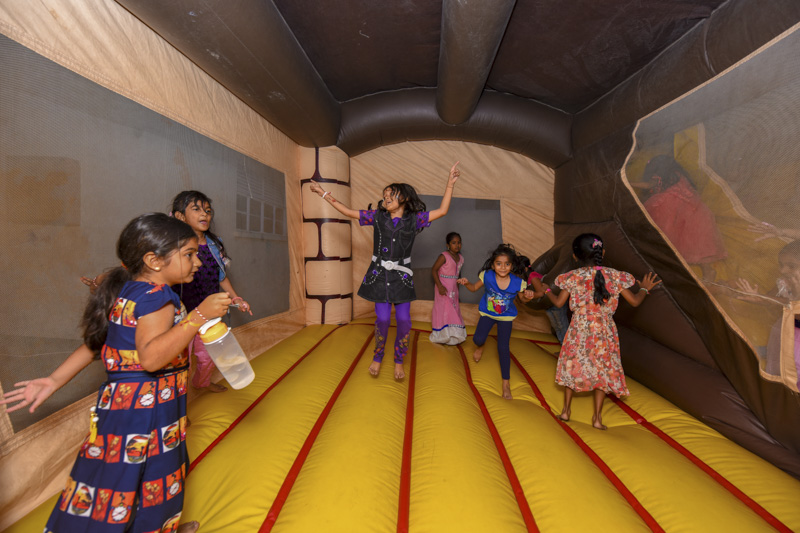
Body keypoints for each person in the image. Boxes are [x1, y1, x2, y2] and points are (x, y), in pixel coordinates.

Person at [1, 213, 232, 532]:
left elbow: (97, 345)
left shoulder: (129, 291)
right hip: (148, 411)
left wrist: (54, 380)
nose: (198, 262)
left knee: (117, 480)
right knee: (155, 477)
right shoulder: (158, 298)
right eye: (189, 254)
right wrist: (198, 317)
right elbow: (151, 358)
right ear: (154, 261)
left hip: (123, 409)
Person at [309, 162, 461, 380]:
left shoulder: (414, 220)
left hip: (402, 278)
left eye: (391, 194)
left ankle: (399, 359)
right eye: (385, 195)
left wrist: (450, 183)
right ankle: (378, 356)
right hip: (379, 277)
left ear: (404, 198)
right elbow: (347, 211)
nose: (386, 198)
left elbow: (443, 210)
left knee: (404, 320)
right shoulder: (376, 217)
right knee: (382, 319)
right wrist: (322, 193)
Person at [543, 233, 660, 429]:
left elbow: (558, 302)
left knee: (573, 365)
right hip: (604, 331)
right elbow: (634, 301)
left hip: (579, 329)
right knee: (602, 369)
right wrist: (644, 289)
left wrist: (547, 290)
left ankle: (565, 411)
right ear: (602, 252)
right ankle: (597, 418)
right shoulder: (615, 276)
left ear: (575, 256)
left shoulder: (573, 277)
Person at [171, 190, 252, 393]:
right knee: (182, 362)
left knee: (209, 357)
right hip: (183, 316)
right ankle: (178, 400)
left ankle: (202, 383)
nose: (204, 214)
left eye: (208, 210)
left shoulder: (215, 245)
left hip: (210, 314)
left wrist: (236, 298)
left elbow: (221, 276)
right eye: (196, 209)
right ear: (180, 216)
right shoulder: (173, 246)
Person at [457, 244, 536, 399]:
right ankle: (481, 346)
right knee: (478, 339)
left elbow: (522, 300)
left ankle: (506, 383)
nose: (503, 267)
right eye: (499, 264)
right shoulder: (487, 276)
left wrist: (528, 297)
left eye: (507, 264)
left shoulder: (517, 282)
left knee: (503, 348)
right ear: (493, 265)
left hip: (506, 317)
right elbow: (474, 288)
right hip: (488, 313)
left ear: (512, 266)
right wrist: (466, 283)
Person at [633, 155, 726, 280]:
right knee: (696, 244)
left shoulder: (665, 179)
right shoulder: (678, 176)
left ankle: (704, 272)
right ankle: (707, 271)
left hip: (680, 215)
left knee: (683, 241)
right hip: (694, 213)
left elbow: (649, 185)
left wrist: (629, 183)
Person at [430, 232, 467, 345]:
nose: (457, 245)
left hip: (454, 289)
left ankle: (453, 335)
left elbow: (457, 275)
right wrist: (440, 286)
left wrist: (458, 289)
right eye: (453, 243)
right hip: (443, 287)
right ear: (448, 245)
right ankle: (443, 335)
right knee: (445, 308)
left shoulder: (461, 258)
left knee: (454, 308)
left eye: (459, 242)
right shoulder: (444, 256)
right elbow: (434, 270)